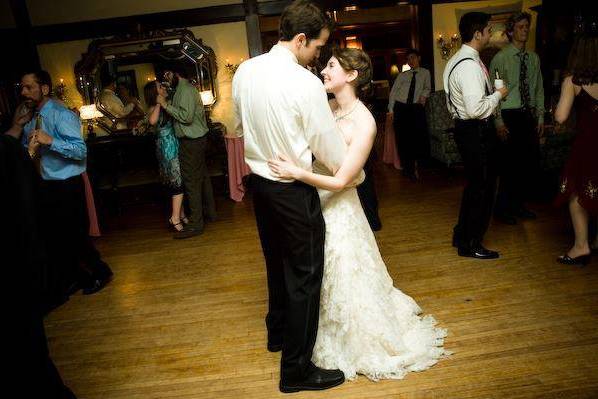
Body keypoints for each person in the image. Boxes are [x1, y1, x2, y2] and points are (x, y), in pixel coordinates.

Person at [268, 47, 448, 382]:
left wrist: (297, 173)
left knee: (344, 271)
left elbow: (342, 180)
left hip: (339, 208)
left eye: (331, 66)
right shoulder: (328, 108)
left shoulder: (364, 122)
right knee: (317, 273)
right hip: (314, 205)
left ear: (351, 75)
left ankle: (354, 339)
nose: (323, 71)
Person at [233, 0, 347, 393]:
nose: (318, 56)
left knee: (275, 262)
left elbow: (240, 120)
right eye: (317, 47)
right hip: (292, 188)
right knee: (304, 274)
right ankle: (296, 370)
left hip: (260, 185)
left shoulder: (246, 71)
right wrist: (350, 171)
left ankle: (277, 332)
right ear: (301, 39)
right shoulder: (304, 83)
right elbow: (326, 146)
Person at [15, 70, 113, 306]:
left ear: (44, 89)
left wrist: (51, 141)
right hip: (45, 183)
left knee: (76, 234)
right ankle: (77, 277)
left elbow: (81, 151)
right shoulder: (30, 116)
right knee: (56, 237)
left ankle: (101, 272)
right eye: (22, 87)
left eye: (29, 87)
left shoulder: (61, 114)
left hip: (67, 184)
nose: (23, 92)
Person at [443, 12, 509, 260]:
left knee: (474, 186)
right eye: (488, 30)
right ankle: (471, 243)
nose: (491, 34)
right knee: (482, 187)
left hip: (466, 129)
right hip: (475, 130)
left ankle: (462, 235)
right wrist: (499, 94)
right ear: (477, 33)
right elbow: (475, 109)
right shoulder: (469, 65)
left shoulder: (456, 60)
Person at [490, 11, 545, 225]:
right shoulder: (500, 58)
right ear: (511, 30)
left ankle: (519, 206)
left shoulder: (533, 58)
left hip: (527, 115)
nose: (525, 30)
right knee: (508, 166)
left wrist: (540, 117)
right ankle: (502, 209)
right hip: (508, 115)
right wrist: (498, 123)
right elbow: (493, 94)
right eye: (521, 27)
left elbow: (539, 88)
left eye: (526, 27)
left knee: (526, 164)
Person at [553, 33, 598, 265]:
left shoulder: (573, 81)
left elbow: (560, 117)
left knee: (577, 194)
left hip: (588, 144)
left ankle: (581, 246)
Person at [159, 65, 216, 239]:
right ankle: (210, 214)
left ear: (177, 73)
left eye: (167, 73)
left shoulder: (185, 90)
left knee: (191, 181)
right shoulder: (182, 89)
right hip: (196, 141)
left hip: (192, 142)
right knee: (202, 178)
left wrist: (165, 105)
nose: (166, 78)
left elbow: (186, 117)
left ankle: (196, 224)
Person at [144, 80, 187, 232]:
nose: (163, 88)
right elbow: (152, 121)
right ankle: (174, 218)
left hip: (173, 144)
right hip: (167, 148)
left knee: (178, 180)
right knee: (177, 181)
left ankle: (181, 214)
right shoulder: (153, 108)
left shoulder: (167, 103)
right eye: (160, 87)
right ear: (155, 93)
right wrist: (158, 103)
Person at [388, 48, 431, 181]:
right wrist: (391, 110)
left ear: (419, 58)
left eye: (413, 57)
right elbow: (393, 93)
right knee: (403, 139)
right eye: (408, 59)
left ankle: (421, 167)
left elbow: (427, 87)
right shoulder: (402, 75)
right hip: (401, 108)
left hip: (416, 108)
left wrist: (423, 96)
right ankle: (408, 170)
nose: (410, 61)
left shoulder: (425, 73)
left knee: (418, 138)